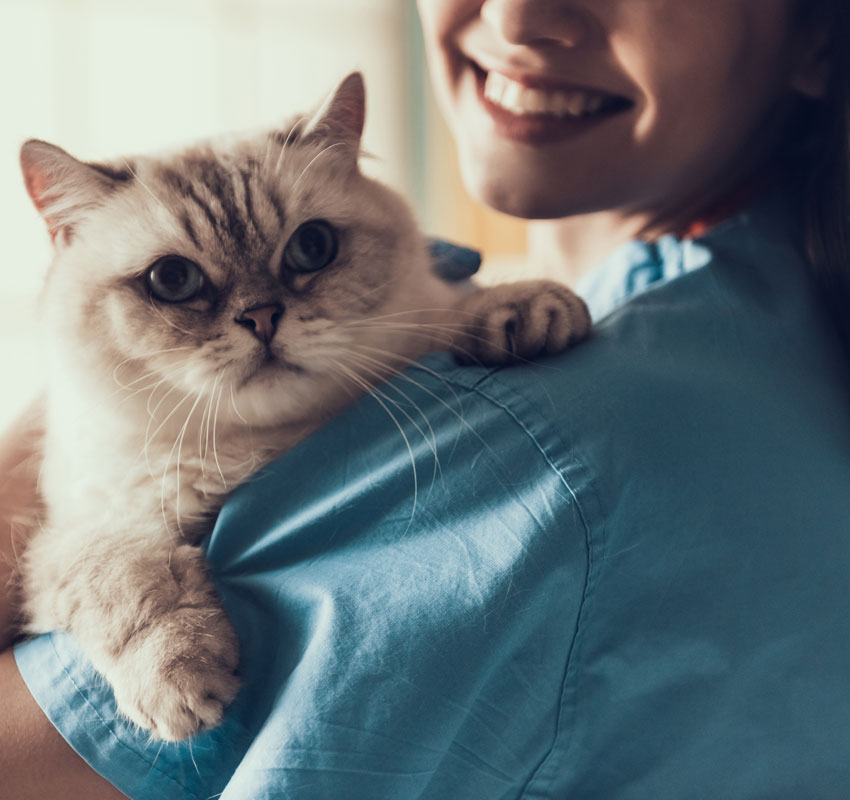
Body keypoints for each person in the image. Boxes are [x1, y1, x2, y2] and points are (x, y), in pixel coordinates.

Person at [3, 0, 850, 797]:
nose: (517, 17)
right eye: (176, 280)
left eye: (310, 249)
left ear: (817, 36)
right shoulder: (760, 311)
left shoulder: (525, 446)